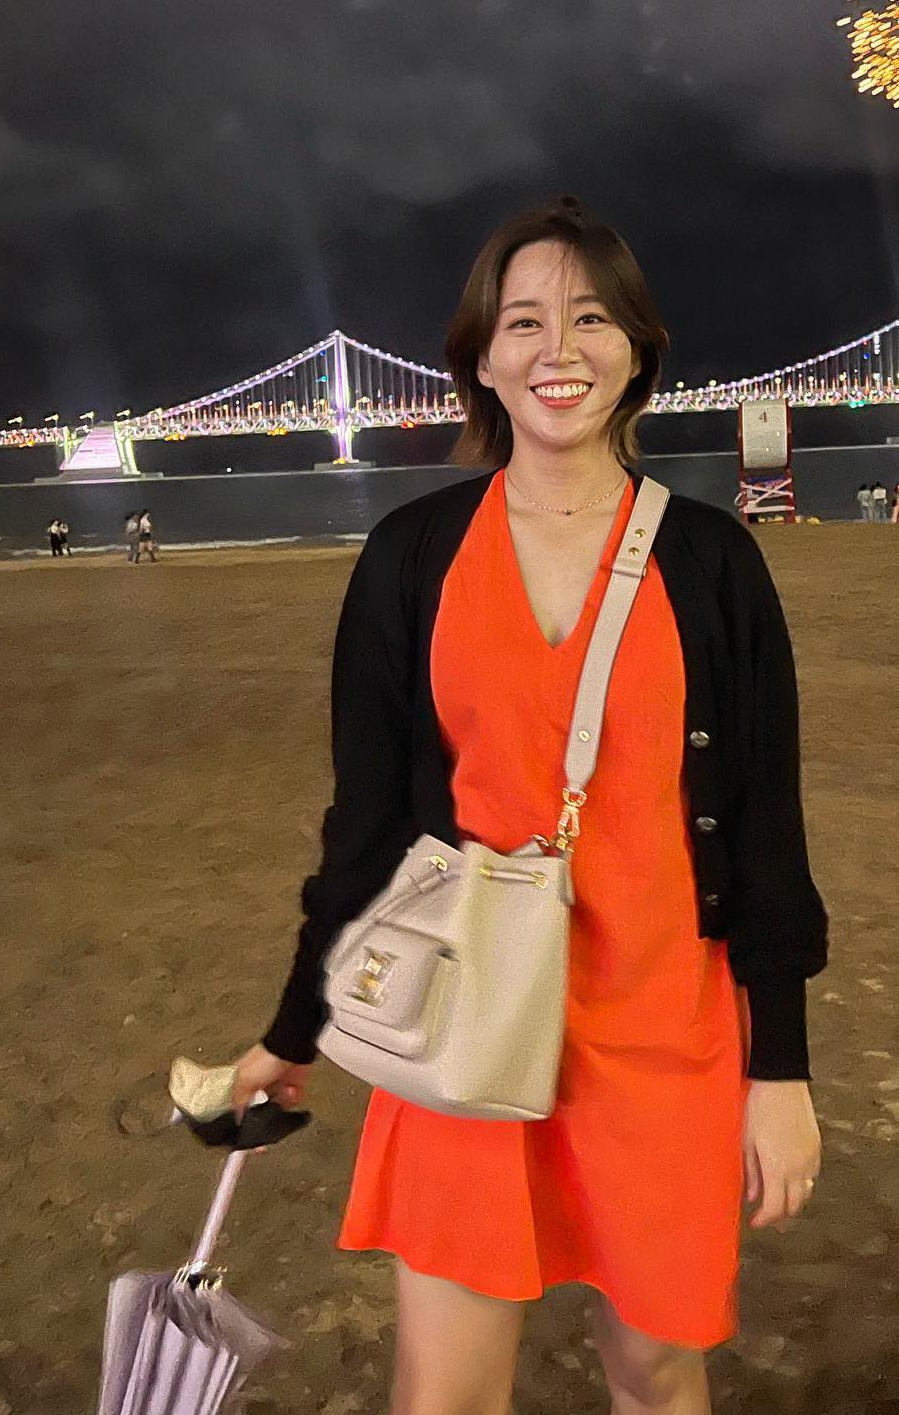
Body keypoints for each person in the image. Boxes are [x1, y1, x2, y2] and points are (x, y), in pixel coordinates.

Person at [227, 197, 827, 1413]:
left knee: (656, 1368)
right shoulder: (410, 555)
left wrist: (782, 1070)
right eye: (525, 323)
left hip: (662, 1026)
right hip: (465, 1013)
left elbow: (768, 827)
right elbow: (364, 831)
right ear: (484, 362)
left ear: (638, 351)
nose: (561, 349)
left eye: (593, 319)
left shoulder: (713, 560)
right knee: (444, 1392)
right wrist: (293, 1034)